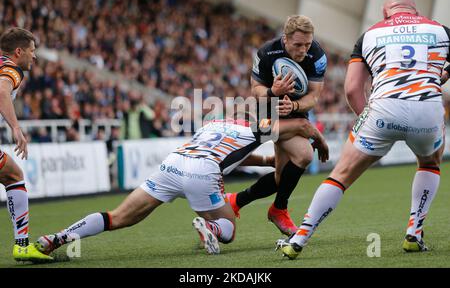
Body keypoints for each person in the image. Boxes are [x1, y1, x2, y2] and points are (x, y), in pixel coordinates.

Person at [277, 0, 450, 259]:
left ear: (385, 13)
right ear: (416, 12)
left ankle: (300, 237)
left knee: (340, 176)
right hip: (426, 109)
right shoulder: (440, 30)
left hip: (382, 109)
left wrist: (366, 119)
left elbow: (353, 89)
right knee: (429, 163)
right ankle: (414, 233)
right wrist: (441, 76)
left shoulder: (369, 34)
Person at [35, 111, 328, 257]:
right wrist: (320, 142)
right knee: (228, 231)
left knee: (118, 217)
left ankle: (56, 239)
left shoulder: (211, 126)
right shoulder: (254, 127)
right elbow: (301, 126)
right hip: (203, 172)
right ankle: (210, 227)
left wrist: (265, 162)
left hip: (172, 164)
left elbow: (231, 154)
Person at [227, 15, 327, 236]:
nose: (303, 50)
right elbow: (256, 90)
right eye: (298, 44)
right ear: (286, 39)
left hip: (296, 109)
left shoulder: (317, 55)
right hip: (267, 111)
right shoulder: (267, 52)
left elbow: (314, 97)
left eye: (307, 44)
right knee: (304, 155)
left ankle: (236, 201)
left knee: (282, 177)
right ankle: (279, 209)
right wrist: (274, 92)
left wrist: (294, 105)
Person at [0, 28, 52, 262]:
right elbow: (1, 91)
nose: (35, 56)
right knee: (14, 176)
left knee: (12, 174)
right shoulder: (12, 69)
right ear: (18, 52)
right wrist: (16, 128)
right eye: (32, 51)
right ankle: (21, 246)